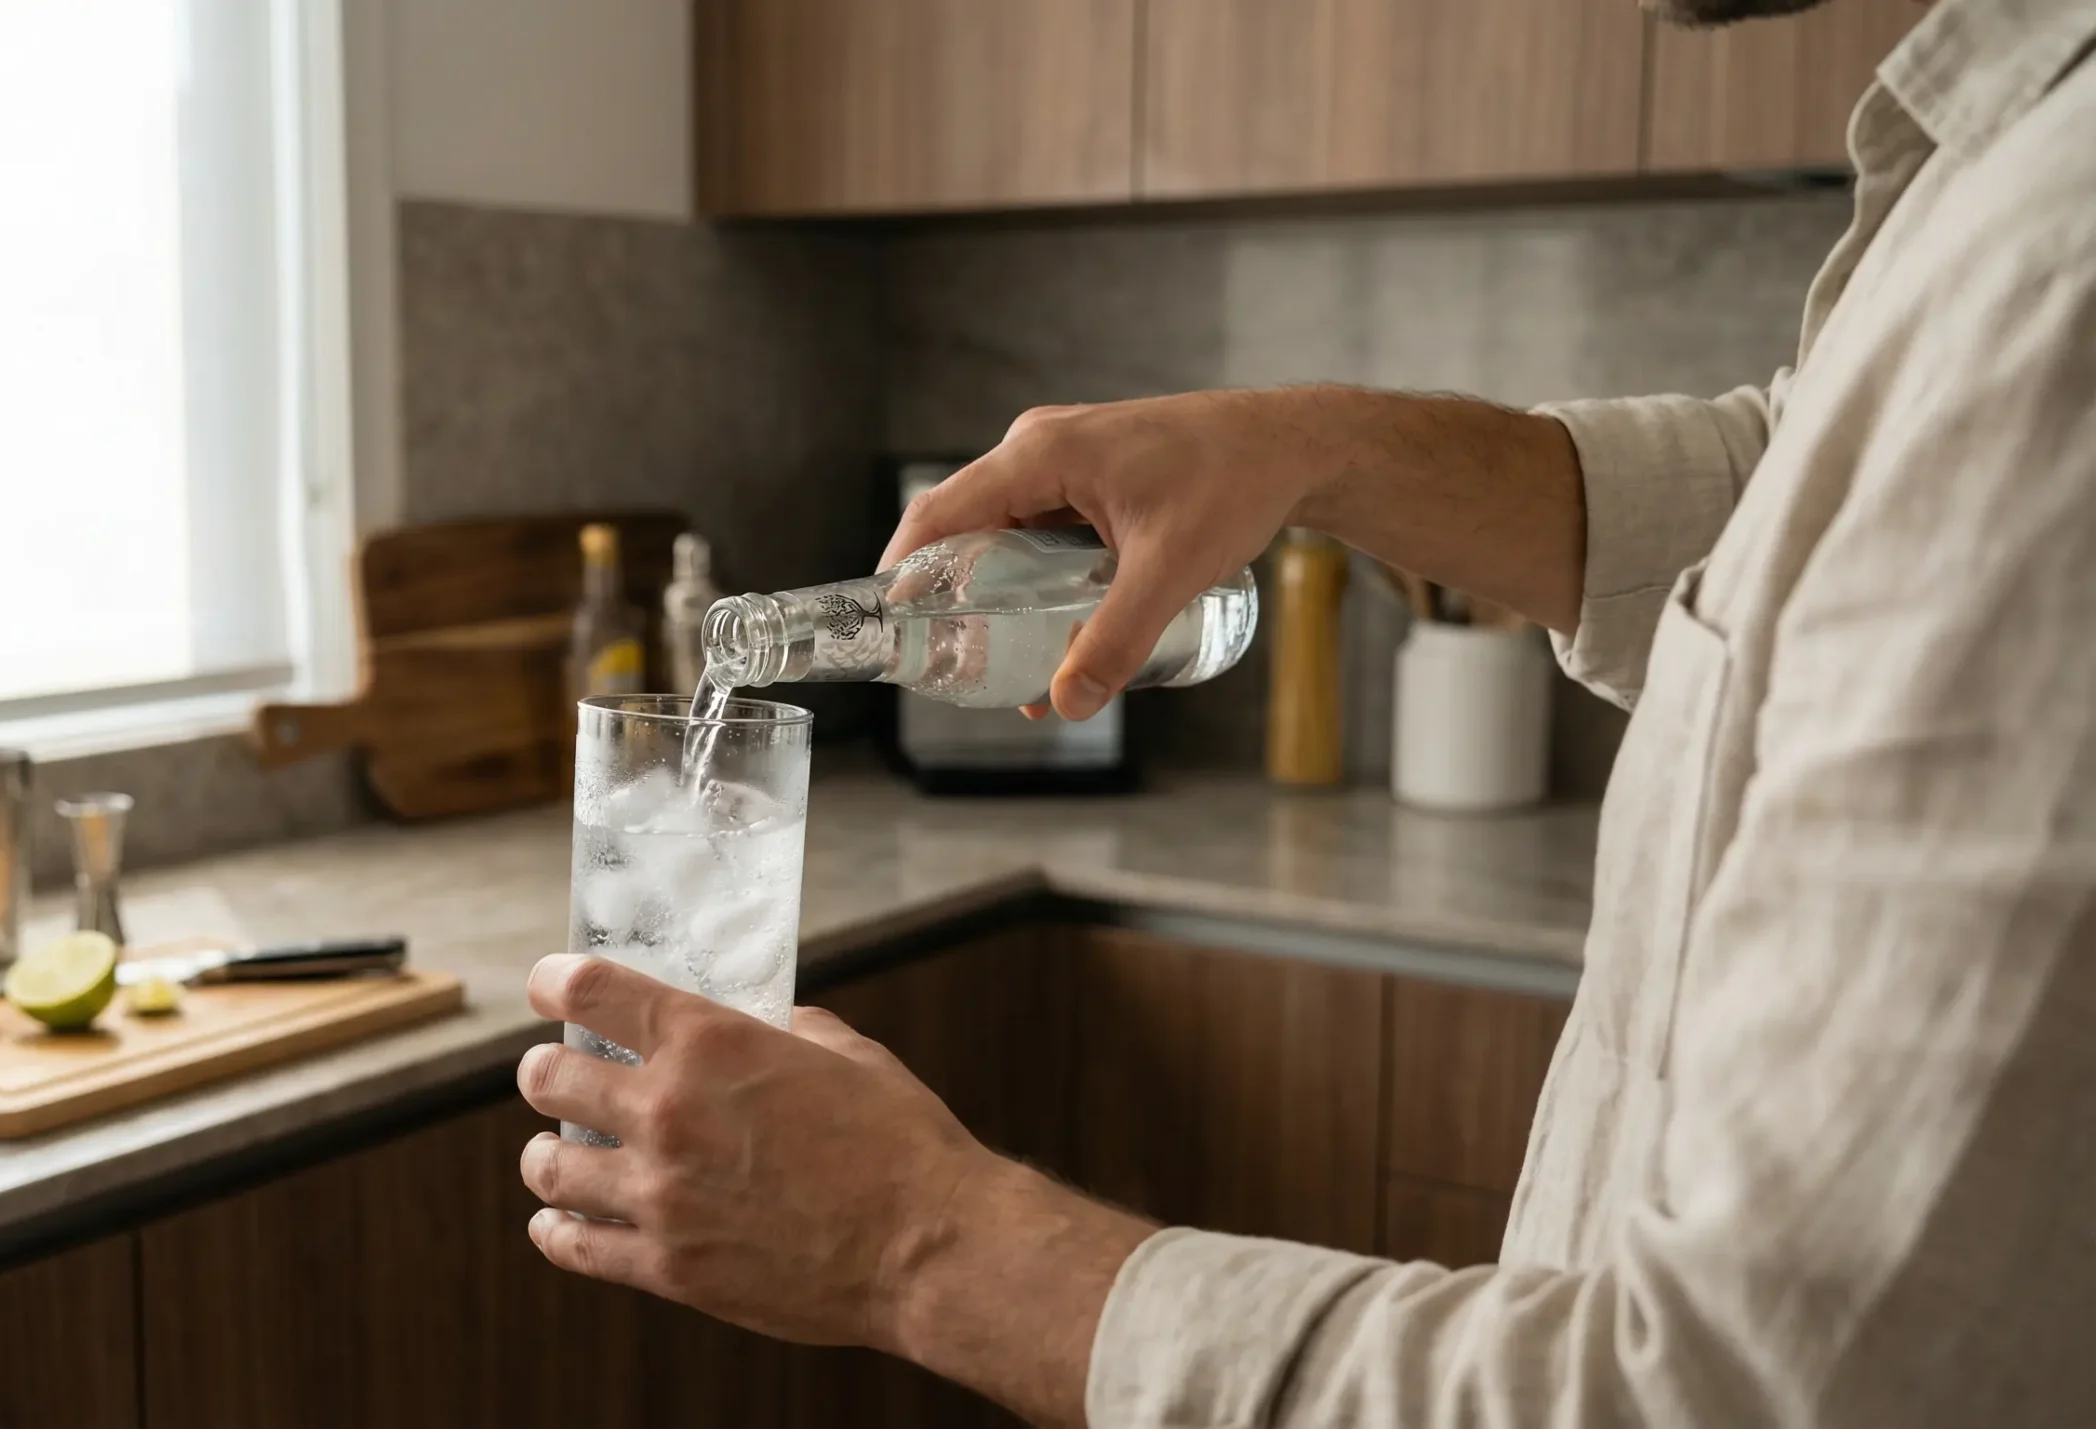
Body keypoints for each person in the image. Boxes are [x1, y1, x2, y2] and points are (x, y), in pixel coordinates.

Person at [513, 0, 2096, 1420]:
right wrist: (1311, 445)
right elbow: (1787, 486)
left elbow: (1741, 1398)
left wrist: (915, 1245)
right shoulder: (1999, 162)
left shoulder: (2063, 270)